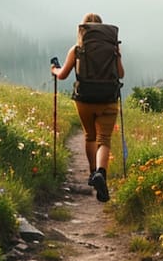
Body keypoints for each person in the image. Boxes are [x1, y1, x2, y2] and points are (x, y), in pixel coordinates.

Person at [51, 13, 125, 202]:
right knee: (104, 139)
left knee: (90, 135)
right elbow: (121, 74)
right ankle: (102, 172)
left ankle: (93, 173)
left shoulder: (77, 49)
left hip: (84, 99)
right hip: (108, 98)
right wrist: (117, 55)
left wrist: (54, 69)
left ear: (83, 29)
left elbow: (63, 75)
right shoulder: (112, 48)